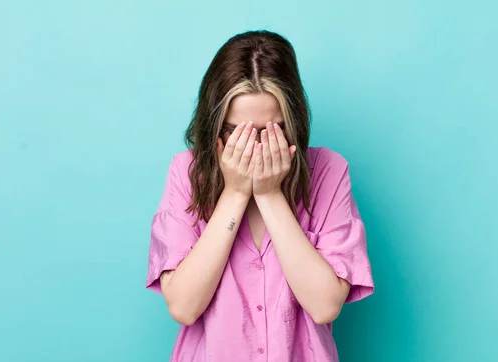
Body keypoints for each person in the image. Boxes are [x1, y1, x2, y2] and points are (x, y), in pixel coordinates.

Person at [145, 30, 374, 362]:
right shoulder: (185, 173)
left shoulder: (329, 171)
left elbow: (325, 306)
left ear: (293, 123)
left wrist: (269, 194)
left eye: (272, 130)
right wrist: (236, 192)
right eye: (237, 132)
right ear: (215, 127)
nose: (254, 146)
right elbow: (183, 306)